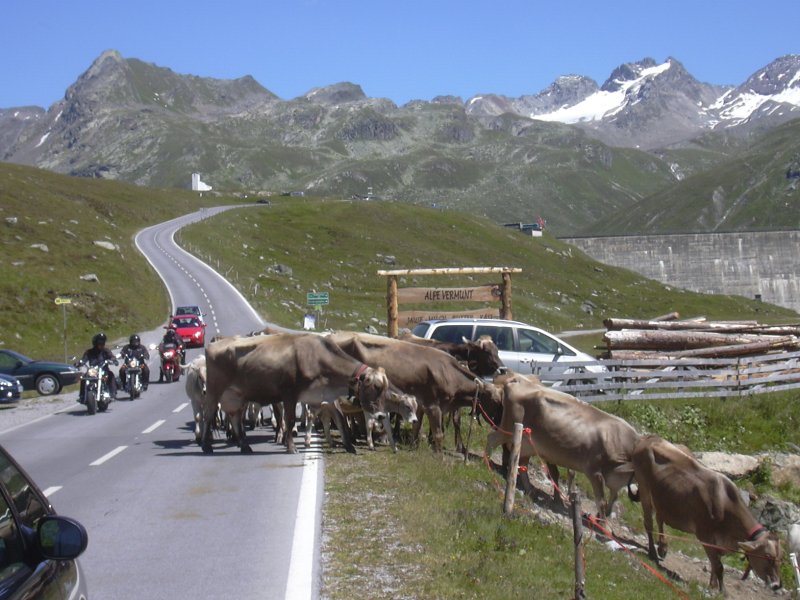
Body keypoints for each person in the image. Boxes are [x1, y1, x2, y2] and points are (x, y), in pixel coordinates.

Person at [78, 332, 118, 400]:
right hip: (93, 371)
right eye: (99, 342)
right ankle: (82, 395)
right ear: (95, 343)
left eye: (102, 342)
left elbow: (111, 356)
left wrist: (113, 360)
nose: (101, 344)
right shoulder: (89, 352)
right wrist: (79, 363)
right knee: (84, 378)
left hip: (103, 370)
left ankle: (113, 393)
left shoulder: (106, 351)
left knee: (111, 375)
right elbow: (84, 359)